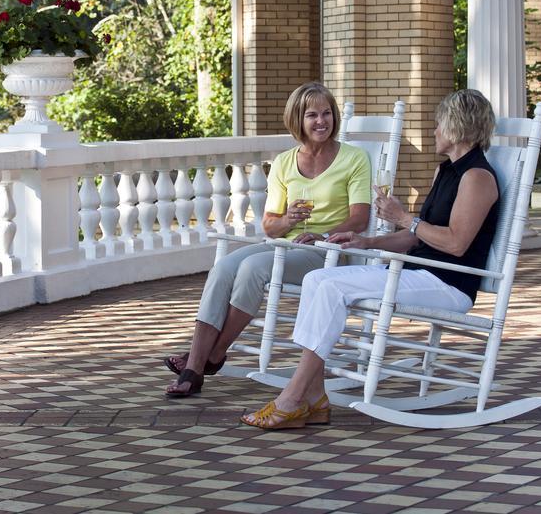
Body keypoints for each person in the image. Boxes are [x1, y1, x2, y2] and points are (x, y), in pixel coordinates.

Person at [240, 88, 500, 429]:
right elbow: (416, 236)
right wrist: (367, 241)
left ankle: (292, 398)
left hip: (447, 283)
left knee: (333, 288)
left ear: (457, 126)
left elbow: (455, 244)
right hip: (419, 271)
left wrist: (405, 217)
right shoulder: (446, 171)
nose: (434, 130)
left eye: (439, 123)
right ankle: (315, 398)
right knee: (316, 279)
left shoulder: (477, 177)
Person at [165, 82, 372, 397]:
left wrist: (323, 235)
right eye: (312, 115)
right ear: (297, 120)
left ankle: (213, 355)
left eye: (327, 113)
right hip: (284, 246)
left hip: (329, 250)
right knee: (223, 269)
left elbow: (360, 217)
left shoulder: (354, 158)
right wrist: (288, 219)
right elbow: (269, 226)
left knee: (254, 268)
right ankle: (196, 365)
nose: (321, 121)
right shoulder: (284, 163)